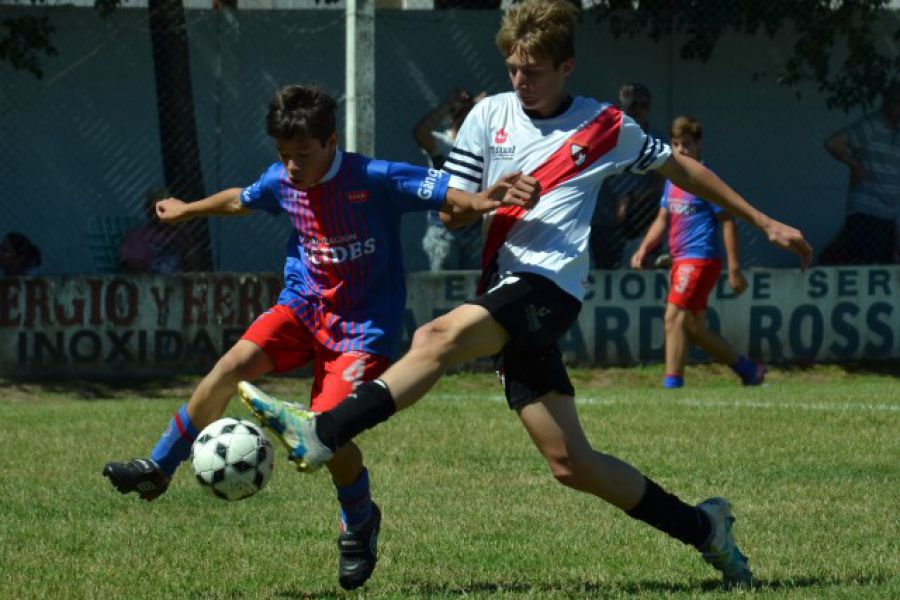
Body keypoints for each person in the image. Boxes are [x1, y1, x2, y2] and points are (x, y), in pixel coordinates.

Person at [240, 1, 812, 589]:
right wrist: (493, 194)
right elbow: (456, 215)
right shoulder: (488, 116)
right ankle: (704, 528)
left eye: (534, 70)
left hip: (552, 285)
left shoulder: (607, 127)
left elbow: (684, 172)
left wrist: (762, 221)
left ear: (566, 66)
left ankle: (325, 430)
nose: (521, 80)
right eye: (513, 67)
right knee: (571, 464)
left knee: (436, 336)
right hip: (505, 290)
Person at [102, 84, 534, 591]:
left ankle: (359, 520)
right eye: (283, 156)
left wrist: (483, 199)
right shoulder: (282, 181)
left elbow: (443, 193)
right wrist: (187, 209)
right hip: (302, 306)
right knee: (230, 366)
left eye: (302, 155)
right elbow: (241, 200)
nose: (291, 167)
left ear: (331, 141)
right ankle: (159, 465)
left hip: (361, 328)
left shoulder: (373, 177)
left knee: (326, 433)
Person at [630, 115, 763, 388]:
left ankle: (672, 384)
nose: (680, 150)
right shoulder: (672, 179)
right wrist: (644, 247)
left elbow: (727, 221)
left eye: (686, 144)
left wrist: (734, 268)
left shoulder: (704, 180)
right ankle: (747, 369)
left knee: (673, 316)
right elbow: (662, 219)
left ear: (699, 145)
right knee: (694, 327)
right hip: (682, 261)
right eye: (676, 144)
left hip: (699, 258)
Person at [821, 81, 900, 265]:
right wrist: (856, 166)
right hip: (867, 209)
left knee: (883, 267)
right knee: (863, 264)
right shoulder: (872, 125)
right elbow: (833, 143)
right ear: (891, 104)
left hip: (889, 213)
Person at [590, 82, 666, 268]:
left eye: (644, 105)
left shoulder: (657, 138)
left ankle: (649, 261)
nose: (639, 110)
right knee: (607, 262)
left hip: (640, 206)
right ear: (623, 108)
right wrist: (618, 201)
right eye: (633, 105)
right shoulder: (608, 136)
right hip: (607, 207)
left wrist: (631, 199)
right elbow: (599, 174)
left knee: (657, 207)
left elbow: (661, 179)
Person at [414, 87, 487, 271]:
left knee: (474, 286)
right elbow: (420, 133)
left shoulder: (483, 144)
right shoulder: (443, 142)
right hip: (443, 229)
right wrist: (448, 104)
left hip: (474, 229)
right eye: (460, 112)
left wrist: (487, 107)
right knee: (444, 285)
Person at [118, 187, 186, 274]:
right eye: (154, 210)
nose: (159, 214)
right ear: (148, 212)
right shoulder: (137, 238)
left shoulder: (180, 236)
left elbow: (195, 267)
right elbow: (133, 268)